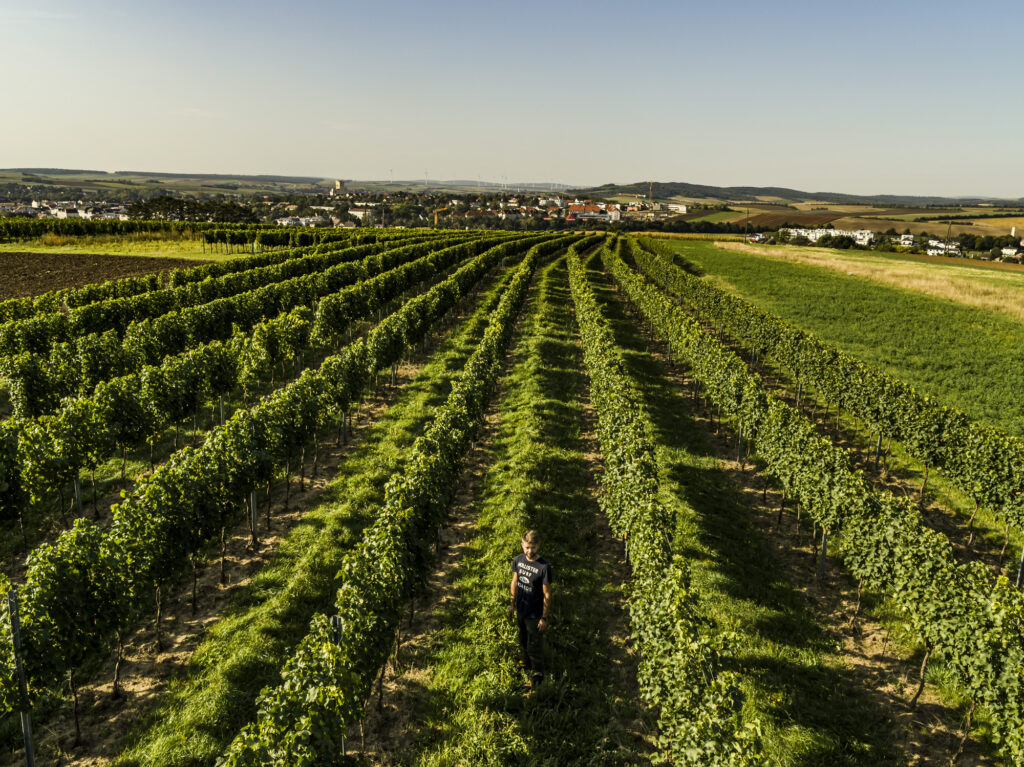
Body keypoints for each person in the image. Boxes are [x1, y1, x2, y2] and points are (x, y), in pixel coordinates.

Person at [508, 529, 553, 688]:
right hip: (521, 608)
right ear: (522, 545)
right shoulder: (519, 560)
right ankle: (525, 661)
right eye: (527, 547)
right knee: (523, 638)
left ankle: (537, 672)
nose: (530, 551)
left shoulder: (544, 567)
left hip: (534, 613)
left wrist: (544, 617)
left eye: (533, 547)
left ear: (538, 546)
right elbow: (515, 582)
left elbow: (546, 594)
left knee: (535, 643)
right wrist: (512, 603)